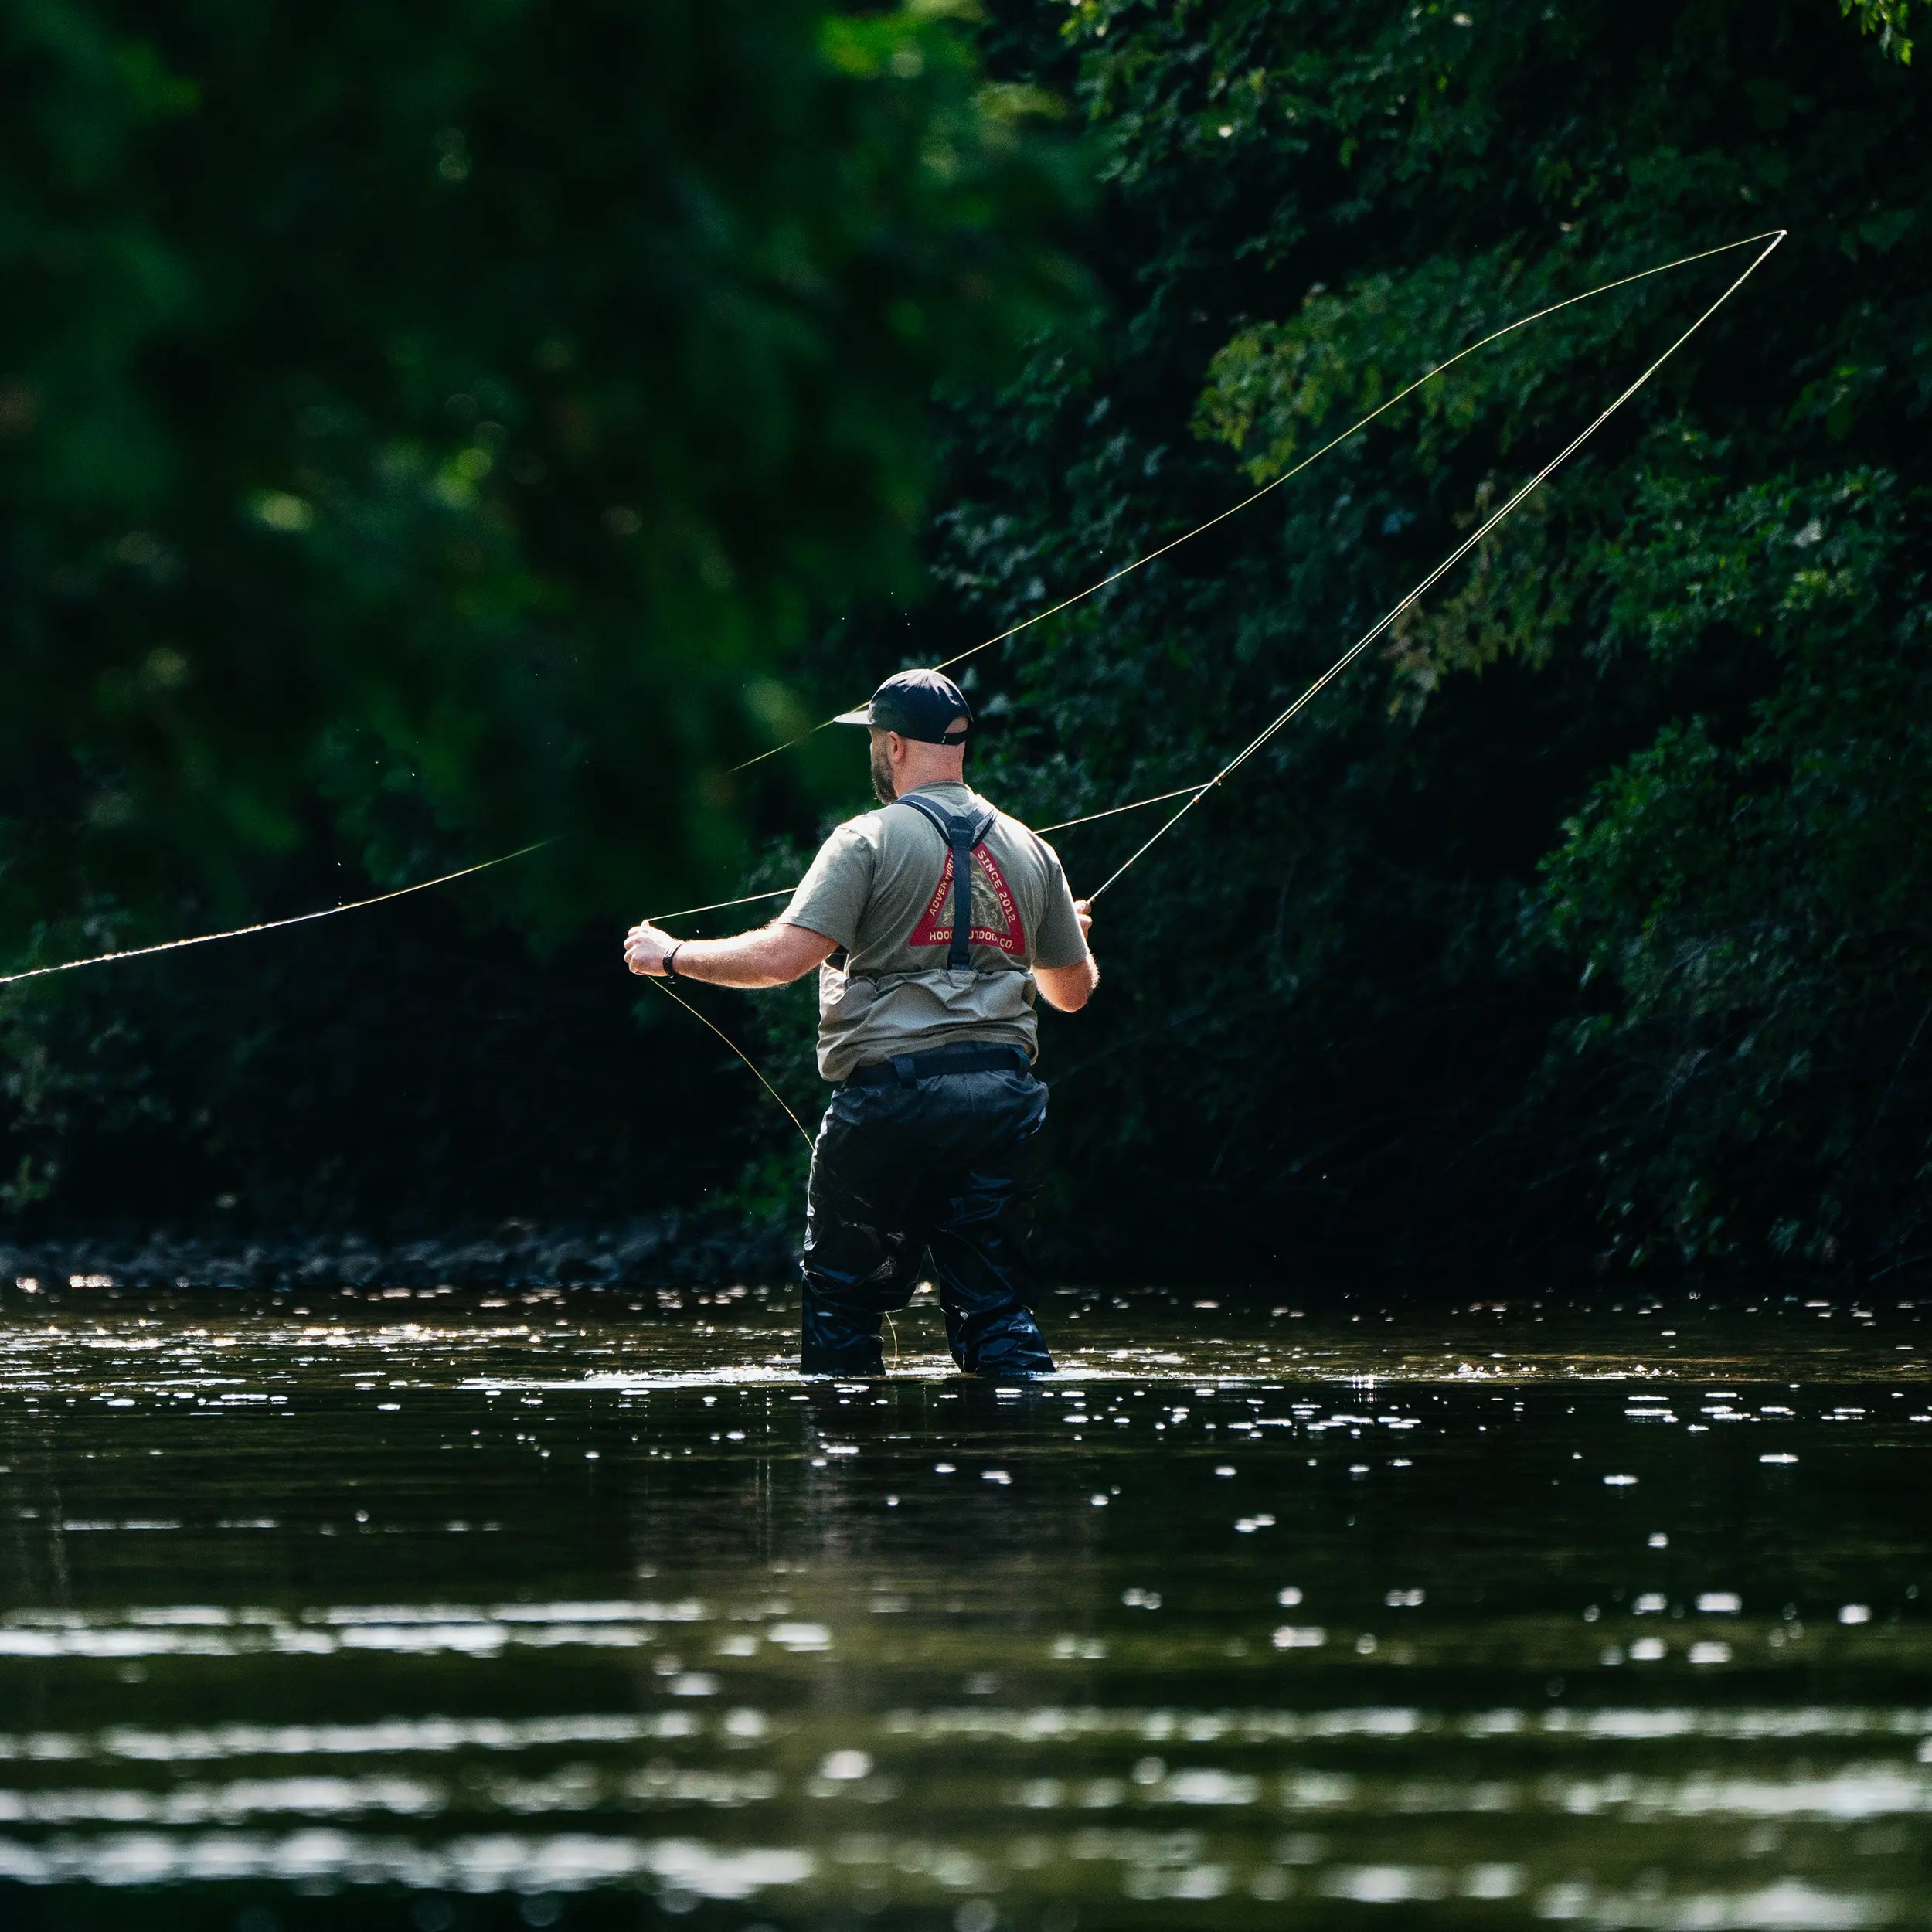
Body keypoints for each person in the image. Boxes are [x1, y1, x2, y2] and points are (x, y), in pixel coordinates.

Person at [623, 668, 1098, 1376]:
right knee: (997, 1311)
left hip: (891, 1104)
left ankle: (851, 1474)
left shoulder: (864, 839)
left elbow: (784, 958)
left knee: (844, 1303)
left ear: (896, 745)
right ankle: (1013, 1461)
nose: (873, 750)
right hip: (1003, 1105)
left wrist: (674, 956)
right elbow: (1073, 992)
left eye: (874, 738)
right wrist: (1039, 943)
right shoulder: (1033, 849)